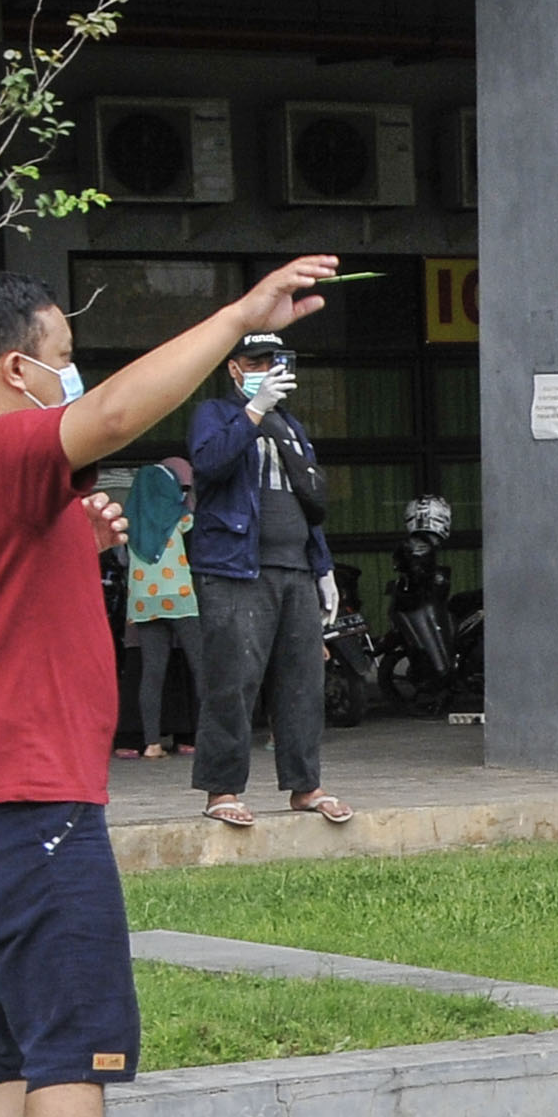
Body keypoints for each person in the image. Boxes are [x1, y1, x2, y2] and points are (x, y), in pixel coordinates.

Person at [0, 253, 338, 1117]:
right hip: (17, 804)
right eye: (62, 355)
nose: (75, 374)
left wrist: (67, 536)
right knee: (74, 1035)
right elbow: (122, 411)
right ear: (15, 369)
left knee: (13, 1043)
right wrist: (237, 317)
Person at [186, 335, 348, 829]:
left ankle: (305, 786)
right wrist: (253, 412)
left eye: (274, 362)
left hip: (295, 567)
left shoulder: (291, 425)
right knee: (232, 680)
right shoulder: (215, 414)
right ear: (234, 368)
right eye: (255, 362)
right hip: (236, 567)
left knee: (303, 681)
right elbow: (209, 463)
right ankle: (222, 789)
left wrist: (323, 568)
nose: (266, 370)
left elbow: (309, 502)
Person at [123, 454, 203, 760]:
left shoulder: (130, 523)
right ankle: (210, 735)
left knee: (152, 672)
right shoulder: (179, 518)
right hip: (180, 597)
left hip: (144, 602)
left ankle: (152, 744)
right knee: (200, 666)